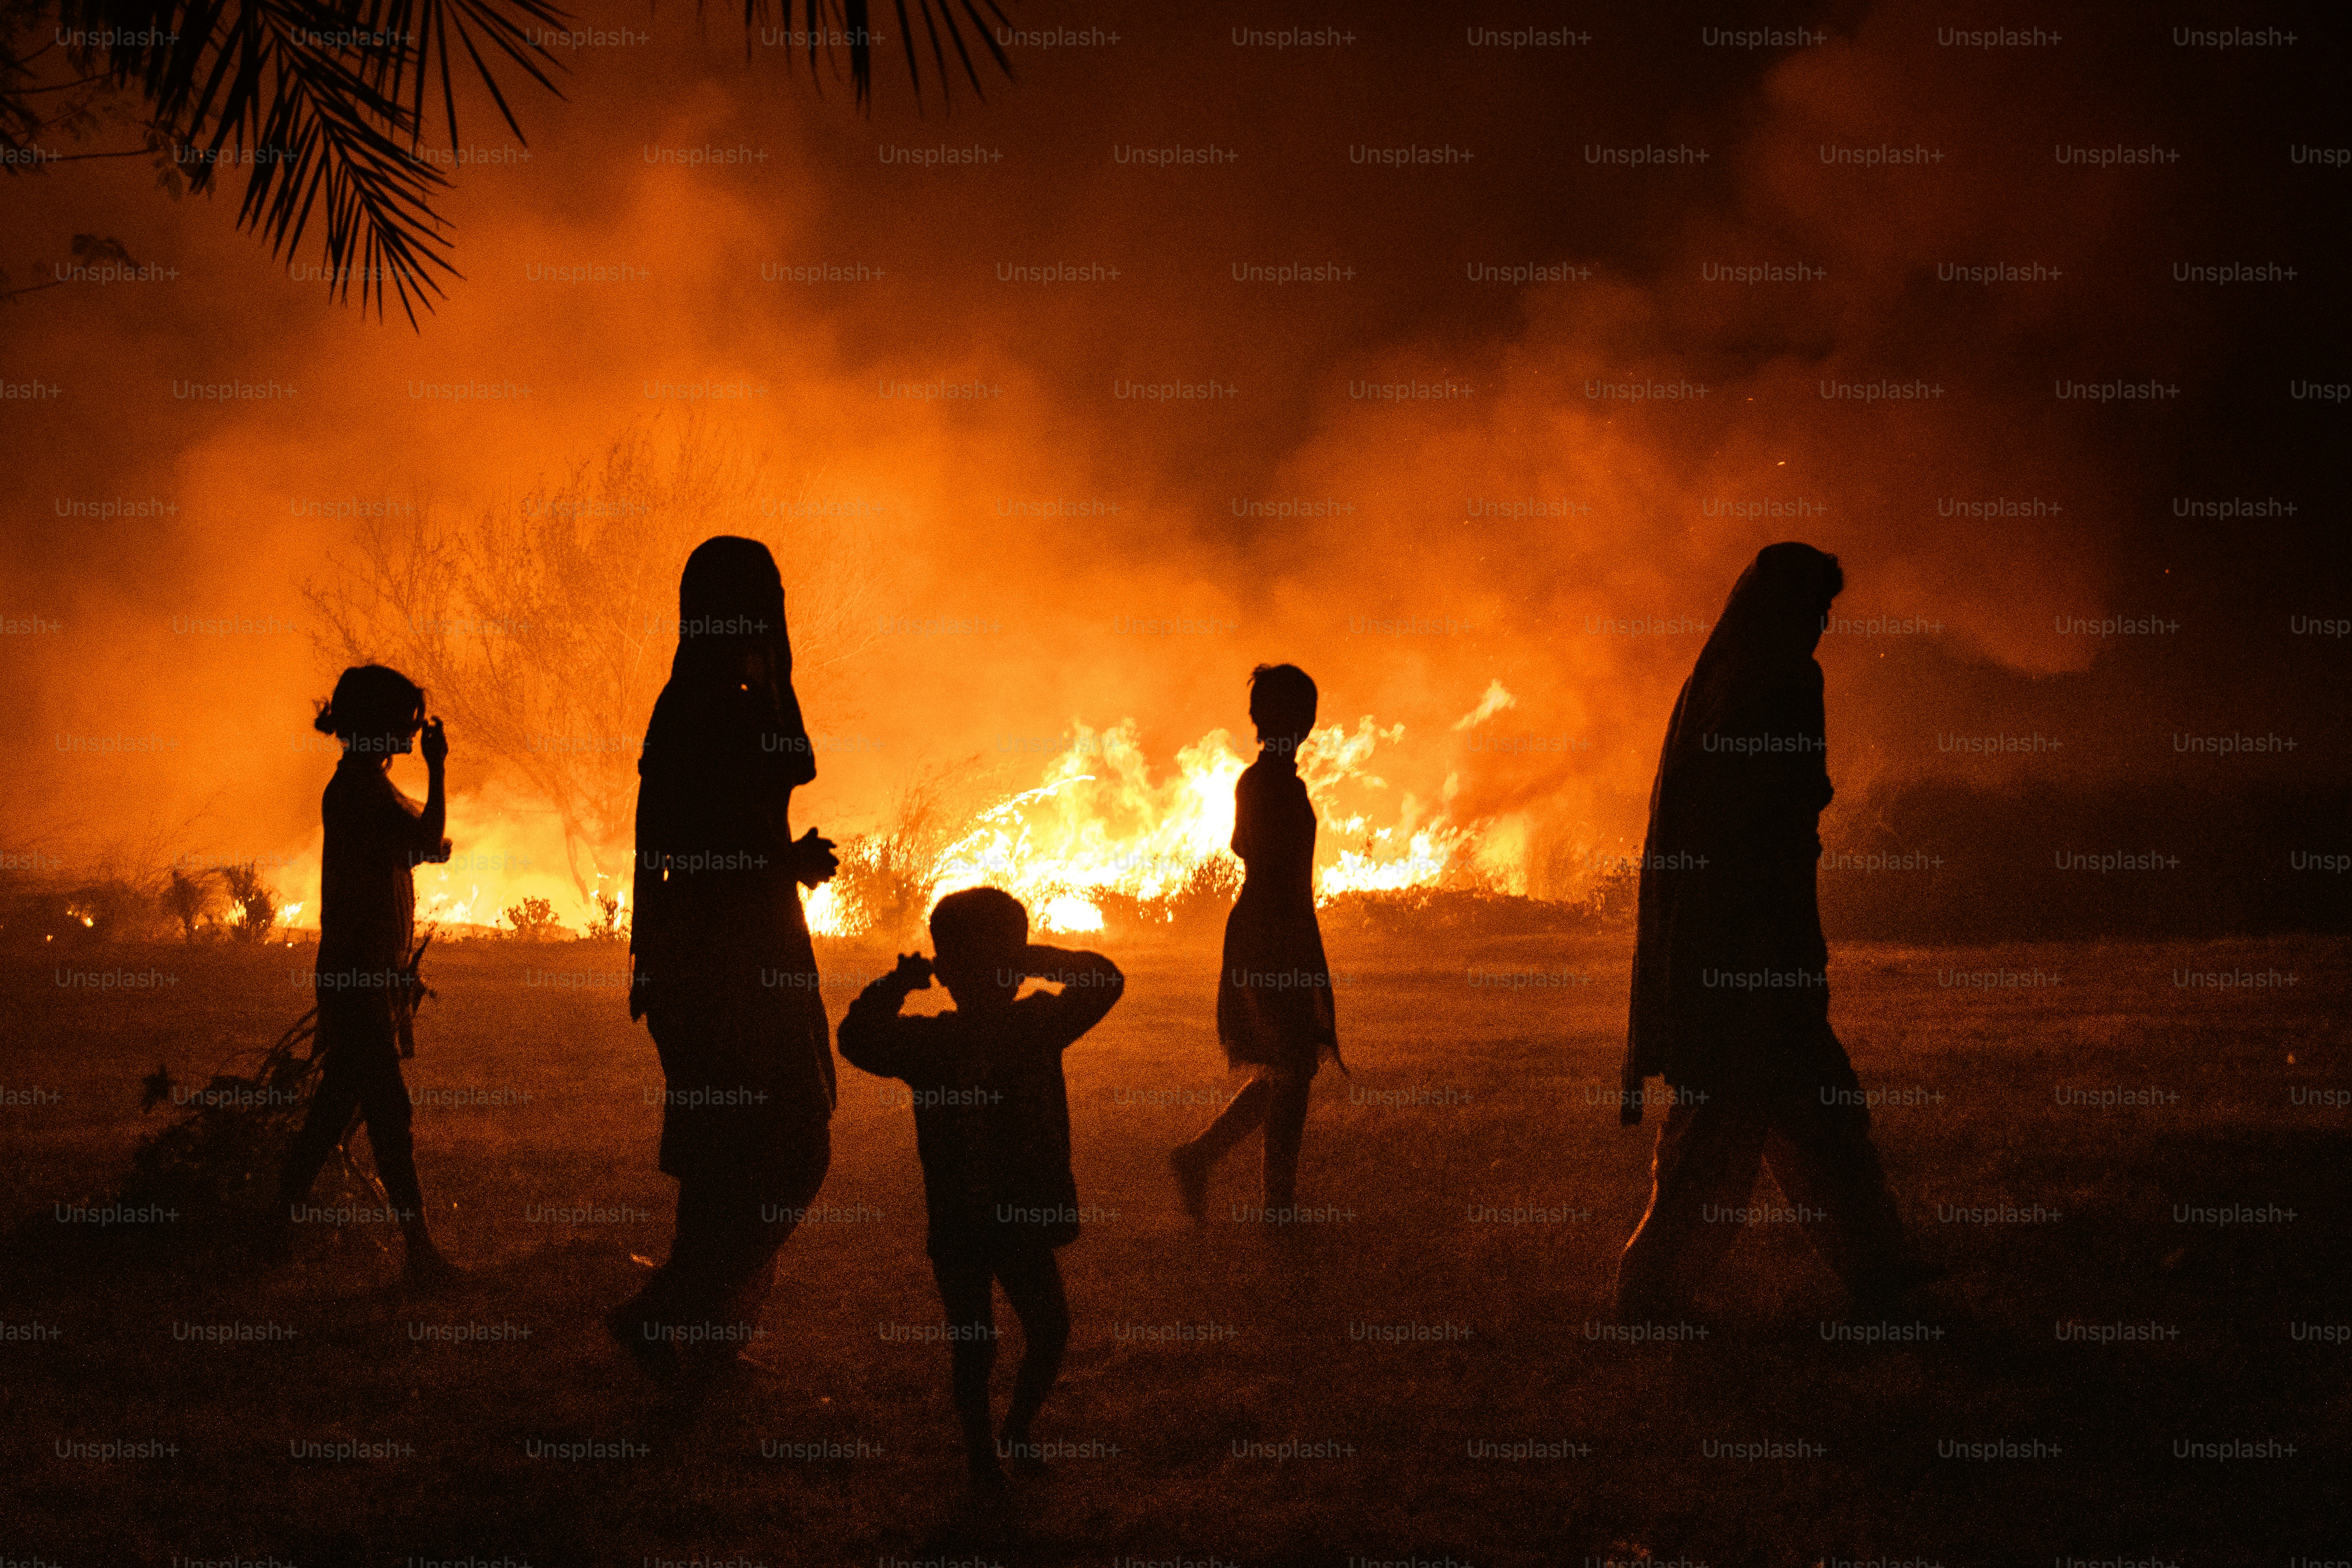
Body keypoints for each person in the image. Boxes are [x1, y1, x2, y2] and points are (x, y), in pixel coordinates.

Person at [1614, 543, 1936, 1319]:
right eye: (1815, 610)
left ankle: (1884, 1278)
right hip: (1752, 944)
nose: (1822, 627)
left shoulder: (1714, 680)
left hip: (1722, 942)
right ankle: (1647, 1295)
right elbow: (1769, 809)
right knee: (1722, 1138)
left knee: (1814, 1122)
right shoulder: (1783, 678)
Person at [606, 536, 840, 1391]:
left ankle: (703, 1338)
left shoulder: (719, 693)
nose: (781, 605)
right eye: (769, 594)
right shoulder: (707, 706)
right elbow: (690, 852)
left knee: (724, 1155)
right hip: (727, 955)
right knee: (792, 1145)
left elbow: (800, 761)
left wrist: (777, 665)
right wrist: (784, 867)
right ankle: (665, 1309)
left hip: (734, 948)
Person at [837, 888, 1124, 1492]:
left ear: (947, 971)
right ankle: (1009, 1436)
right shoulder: (1037, 1024)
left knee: (977, 1343)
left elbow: (857, 1035)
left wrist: (899, 982)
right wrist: (1034, 957)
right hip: (1014, 1217)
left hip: (961, 1218)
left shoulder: (931, 1044)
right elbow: (1105, 979)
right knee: (1046, 1328)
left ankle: (987, 1454)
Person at [277, 664, 456, 1286]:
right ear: (382, 723)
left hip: (361, 972)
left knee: (336, 1105)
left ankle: (274, 1228)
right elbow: (429, 837)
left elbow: (423, 843)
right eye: (406, 721)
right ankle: (421, 1252)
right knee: (388, 1110)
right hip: (359, 975)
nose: (414, 729)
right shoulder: (360, 790)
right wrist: (437, 767)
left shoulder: (364, 786)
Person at [1171, 663, 1341, 1223]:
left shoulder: (1266, 782)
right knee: (1292, 1068)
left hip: (1273, 927)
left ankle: (1203, 1160)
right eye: (1298, 713)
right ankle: (1275, 1205)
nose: (1304, 723)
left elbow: (1243, 845)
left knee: (1288, 1068)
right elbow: (1253, 851)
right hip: (1273, 932)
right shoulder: (1271, 784)